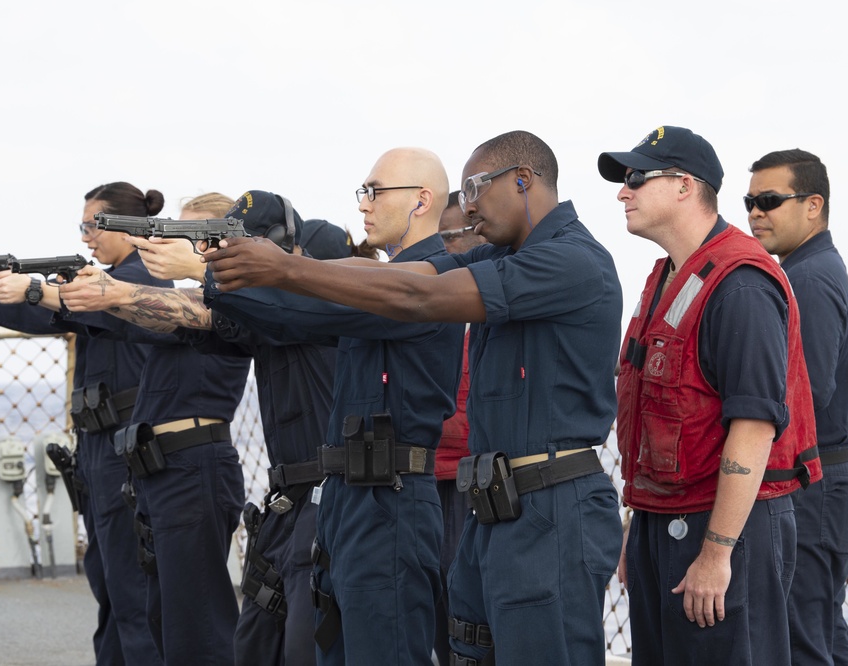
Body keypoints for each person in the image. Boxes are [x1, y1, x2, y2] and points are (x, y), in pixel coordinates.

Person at [206, 131, 624, 665]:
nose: (466, 202)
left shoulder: (570, 261)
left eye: (476, 185)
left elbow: (417, 294)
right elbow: (394, 276)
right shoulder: (500, 256)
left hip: (550, 504)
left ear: (523, 180)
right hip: (493, 505)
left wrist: (286, 269)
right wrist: (252, 268)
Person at [200, 148, 464, 665]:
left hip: (390, 499)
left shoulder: (427, 279)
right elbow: (285, 321)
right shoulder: (381, 281)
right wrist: (221, 272)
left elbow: (305, 303)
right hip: (347, 498)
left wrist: (220, 268)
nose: (363, 204)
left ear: (420, 200)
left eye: (375, 190)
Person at [62, 190, 344, 666]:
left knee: (221, 634)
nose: (200, 248)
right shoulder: (251, 308)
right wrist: (115, 294)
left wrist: (168, 277)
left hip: (235, 476)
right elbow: (190, 314)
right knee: (220, 635)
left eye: (203, 237)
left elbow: (237, 302)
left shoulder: (297, 301)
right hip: (275, 494)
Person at [598, 126, 822, 665]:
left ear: (683, 186)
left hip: (723, 529)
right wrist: (640, 524)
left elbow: (754, 425)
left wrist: (717, 553)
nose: (622, 192)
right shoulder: (668, 280)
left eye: (635, 178)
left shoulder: (740, 285)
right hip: (664, 523)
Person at [0, 181, 166, 666]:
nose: (86, 239)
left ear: (125, 224)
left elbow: (62, 306)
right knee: (111, 589)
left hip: (126, 452)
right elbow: (47, 315)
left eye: (91, 226)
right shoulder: (111, 279)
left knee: (132, 591)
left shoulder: (136, 282)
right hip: (102, 449)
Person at [31, 190, 252, 666]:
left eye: (185, 233)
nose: (169, 240)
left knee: (199, 631)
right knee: (161, 619)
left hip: (192, 469)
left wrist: (108, 293)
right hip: (159, 470)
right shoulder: (181, 294)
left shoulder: (229, 301)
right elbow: (132, 313)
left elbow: (155, 314)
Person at [746, 149, 848, 665]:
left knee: (803, 643)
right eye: (750, 201)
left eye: (769, 200)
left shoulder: (808, 280)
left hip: (813, 488)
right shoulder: (810, 270)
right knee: (821, 635)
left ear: (813, 205)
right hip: (825, 486)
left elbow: (801, 400)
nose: (755, 213)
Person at [432, 189, 485, 666]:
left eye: (447, 236)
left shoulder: (480, 313)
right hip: (427, 486)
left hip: (467, 490)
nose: (441, 247)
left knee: (464, 621)